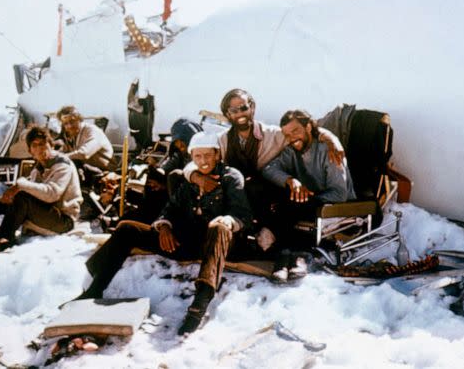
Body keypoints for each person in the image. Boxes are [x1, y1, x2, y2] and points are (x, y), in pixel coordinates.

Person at [73, 132, 253, 335]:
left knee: (217, 227)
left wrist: (228, 220)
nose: (203, 161)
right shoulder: (191, 179)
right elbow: (169, 209)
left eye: (208, 155)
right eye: (198, 156)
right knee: (126, 228)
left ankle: (198, 306)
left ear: (217, 155)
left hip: (218, 246)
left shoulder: (230, 177)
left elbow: (243, 216)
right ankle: (95, 288)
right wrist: (165, 227)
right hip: (188, 242)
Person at [184, 88, 345, 252]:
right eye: (234, 110)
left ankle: (270, 242)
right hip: (234, 192)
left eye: (244, 108)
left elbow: (305, 131)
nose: (240, 114)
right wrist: (196, 176)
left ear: (252, 108)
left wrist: (332, 140)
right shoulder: (222, 139)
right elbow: (198, 160)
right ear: (227, 113)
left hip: (264, 193)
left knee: (260, 188)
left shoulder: (273, 134)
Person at [262, 109, 356, 281]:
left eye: (295, 131)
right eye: (287, 134)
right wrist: (290, 180)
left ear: (308, 127)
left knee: (292, 205)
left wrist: (309, 198)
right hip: (308, 202)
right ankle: (284, 257)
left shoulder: (328, 149)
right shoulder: (292, 151)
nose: (291, 138)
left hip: (337, 205)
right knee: (279, 197)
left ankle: (297, 257)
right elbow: (268, 169)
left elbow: (340, 193)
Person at [0, 126, 82, 249]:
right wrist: (9, 196)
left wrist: (20, 185)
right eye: (34, 145)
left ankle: (4, 238)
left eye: (43, 144)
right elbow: (33, 188)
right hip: (46, 213)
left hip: (63, 220)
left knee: (22, 197)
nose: (40, 148)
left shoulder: (62, 164)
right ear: (30, 151)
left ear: (51, 145)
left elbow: (52, 194)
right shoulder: (40, 167)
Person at [56, 105, 115, 183]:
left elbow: (85, 153)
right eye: (66, 123)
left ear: (80, 119)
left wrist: (61, 157)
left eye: (72, 121)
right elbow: (65, 151)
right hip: (88, 169)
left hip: (104, 171)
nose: (69, 126)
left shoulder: (92, 130)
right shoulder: (71, 135)